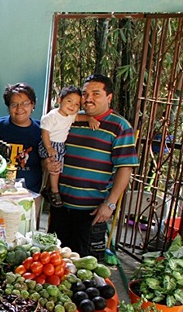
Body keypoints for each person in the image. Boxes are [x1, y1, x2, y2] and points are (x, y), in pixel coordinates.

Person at [47, 74, 139, 261]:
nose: (88, 99)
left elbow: (125, 168)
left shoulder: (120, 127)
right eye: (85, 93)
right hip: (61, 206)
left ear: (109, 97)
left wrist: (110, 204)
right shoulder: (70, 120)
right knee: (55, 261)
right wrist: (47, 163)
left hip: (91, 211)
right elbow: (51, 149)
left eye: (95, 93)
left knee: (85, 266)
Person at [39, 86, 100, 207]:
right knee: (55, 169)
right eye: (69, 101)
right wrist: (49, 147)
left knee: (57, 169)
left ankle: (48, 188)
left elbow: (79, 117)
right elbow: (44, 133)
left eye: (77, 104)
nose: (73, 106)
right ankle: (54, 192)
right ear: (60, 100)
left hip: (60, 146)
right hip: (50, 144)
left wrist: (90, 118)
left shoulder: (70, 116)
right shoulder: (51, 116)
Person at [0, 82, 43, 194]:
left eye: (25, 103)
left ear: (33, 105)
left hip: (30, 193)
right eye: (14, 104)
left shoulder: (42, 131)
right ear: (8, 107)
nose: (19, 108)